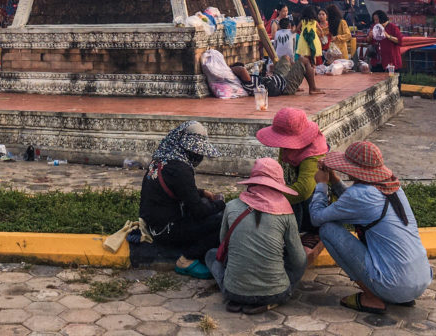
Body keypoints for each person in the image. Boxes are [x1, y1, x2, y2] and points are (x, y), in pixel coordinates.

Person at [310, 141, 432, 314]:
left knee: (327, 229)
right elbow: (354, 203)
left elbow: (317, 218)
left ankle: (372, 297)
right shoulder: (392, 186)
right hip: (419, 282)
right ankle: (396, 294)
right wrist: (335, 180)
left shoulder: (361, 194)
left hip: (394, 286)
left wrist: (321, 185)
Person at [204, 158, 322, 313]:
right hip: (275, 294)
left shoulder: (232, 206)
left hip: (232, 292)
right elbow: (299, 260)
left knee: (211, 255)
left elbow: (223, 242)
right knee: (299, 262)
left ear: (252, 182)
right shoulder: (286, 212)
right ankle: (268, 301)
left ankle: (239, 297)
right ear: (278, 184)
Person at [139, 121, 225, 279]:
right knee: (222, 223)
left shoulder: (163, 158)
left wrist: (202, 193)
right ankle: (187, 260)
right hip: (165, 231)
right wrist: (221, 204)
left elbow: (177, 189)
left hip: (153, 225)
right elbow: (199, 212)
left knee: (208, 207)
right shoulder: (180, 170)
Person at [256, 107, 329, 235]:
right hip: (293, 192)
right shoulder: (287, 147)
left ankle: (302, 232)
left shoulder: (313, 153)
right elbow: (281, 170)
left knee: (295, 204)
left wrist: (270, 197)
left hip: (311, 201)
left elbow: (303, 190)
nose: (282, 145)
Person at [294, 6, 324, 94]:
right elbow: (321, 30)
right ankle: (313, 69)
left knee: (306, 57)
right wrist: (321, 36)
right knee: (313, 55)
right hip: (313, 38)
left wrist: (303, 31)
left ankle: (308, 70)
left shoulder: (303, 21)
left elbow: (297, 29)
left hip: (304, 39)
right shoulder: (314, 21)